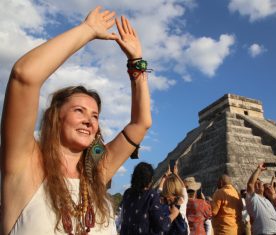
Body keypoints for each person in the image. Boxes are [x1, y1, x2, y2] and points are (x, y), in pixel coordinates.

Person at [0, 6, 152, 235]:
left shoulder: (96, 174)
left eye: (95, 116)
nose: (89, 121)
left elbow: (141, 123)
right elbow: (25, 76)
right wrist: (87, 30)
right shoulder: (25, 165)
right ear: (55, 117)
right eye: (79, 111)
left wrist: (137, 63)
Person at [120, 162, 179, 234]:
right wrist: (174, 214)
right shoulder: (151, 195)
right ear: (149, 180)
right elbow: (162, 226)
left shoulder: (127, 193)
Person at [246, 163, 276, 235]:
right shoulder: (253, 199)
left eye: (260, 183)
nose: (259, 184)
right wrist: (259, 169)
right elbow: (250, 184)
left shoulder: (268, 201)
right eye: (256, 183)